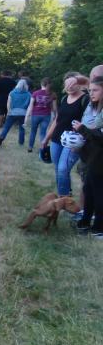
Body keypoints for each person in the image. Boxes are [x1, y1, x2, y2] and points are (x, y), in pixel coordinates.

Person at [41, 75, 89, 197]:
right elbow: (57, 120)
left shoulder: (86, 99)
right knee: (58, 169)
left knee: (63, 169)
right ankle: (65, 195)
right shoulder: (63, 99)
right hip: (57, 139)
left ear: (79, 84)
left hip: (73, 141)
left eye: (72, 84)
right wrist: (46, 138)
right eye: (67, 84)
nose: (69, 87)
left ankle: (64, 198)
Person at [74, 77, 103, 238]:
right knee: (89, 190)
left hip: (100, 159)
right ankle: (85, 222)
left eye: (95, 90)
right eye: (90, 90)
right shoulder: (94, 107)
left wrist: (83, 129)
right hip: (93, 157)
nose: (91, 93)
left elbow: (100, 137)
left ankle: (99, 228)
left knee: (99, 193)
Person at [0, 80, 31, 147]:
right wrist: (28, 113)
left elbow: (8, 103)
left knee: (6, 127)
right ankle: (21, 143)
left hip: (12, 112)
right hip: (23, 113)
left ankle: (1, 139)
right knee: (22, 128)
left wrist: (9, 111)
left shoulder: (12, 92)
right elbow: (30, 105)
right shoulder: (28, 94)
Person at [26, 78, 55, 153]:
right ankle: (42, 149)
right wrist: (54, 115)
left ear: (41, 84)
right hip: (46, 115)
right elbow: (54, 108)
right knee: (43, 133)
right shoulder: (52, 94)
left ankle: (30, 148)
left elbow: (30, 106)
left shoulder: (35, 93)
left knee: (33, 132)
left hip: (35, 115)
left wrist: (27, 115)